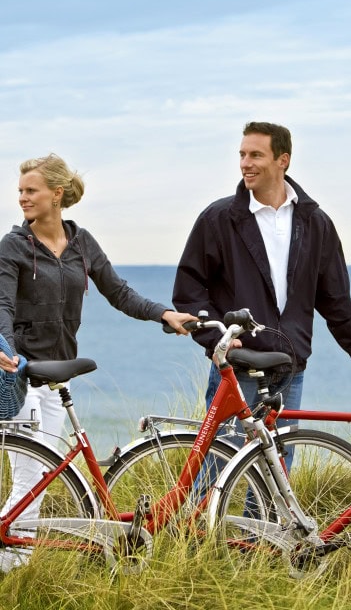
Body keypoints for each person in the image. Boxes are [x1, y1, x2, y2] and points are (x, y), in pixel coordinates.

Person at [0, 153, 196, 571]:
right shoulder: (13, 246)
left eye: (30, 190)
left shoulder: (82, 242)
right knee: (28, 475)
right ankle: (12, 561)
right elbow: (0, 304)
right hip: (20, 373)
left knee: (41, 474)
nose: (22, 198)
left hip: (58, 376)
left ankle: (18, 557)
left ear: (57, 194)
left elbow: (119, 292)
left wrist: (164, 313)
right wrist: (5, 349)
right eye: (20, 191)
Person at [173, 121, 351, 431]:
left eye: (256, 155)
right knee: (220, 466)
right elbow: (189, 290)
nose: (245, 164)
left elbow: (334, 297)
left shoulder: (315, 223)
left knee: (278, 471)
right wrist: (217, 340)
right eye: (242, 155)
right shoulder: (218, 219)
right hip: (238, 365)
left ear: (283, 160)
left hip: (289, 368)